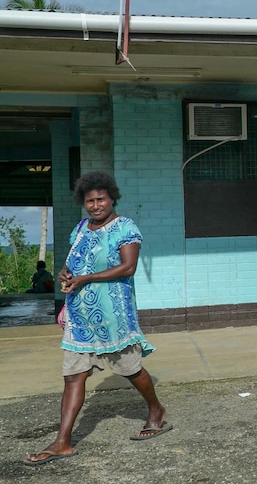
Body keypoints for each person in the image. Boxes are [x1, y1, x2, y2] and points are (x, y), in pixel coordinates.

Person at [25, 171, 171, 467]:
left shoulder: (125, 227)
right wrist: (66, 273)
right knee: (73, 376)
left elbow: (128, 267)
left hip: (113, 317)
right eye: (89, 201)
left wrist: (87, 277)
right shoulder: (81, 228)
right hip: (80, 317)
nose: (95, 205)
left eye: (100, 199)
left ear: (112, 198)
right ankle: (62, 441)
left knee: (130, 369)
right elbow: (73, 261)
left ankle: (156, 410)